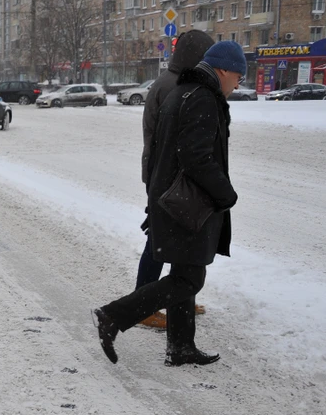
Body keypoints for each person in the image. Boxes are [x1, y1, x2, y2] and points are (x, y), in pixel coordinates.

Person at [93, 41, 245, 367]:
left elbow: (163, 150)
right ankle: (113, 315)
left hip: (170, 198)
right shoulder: (203, 98)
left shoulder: (183, 92)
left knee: (183, 271)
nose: (237, 85)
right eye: (238, 77)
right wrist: (225, 194)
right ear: (224, 70)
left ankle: (180, 346)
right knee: (189, 279)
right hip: (187, 203)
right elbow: (196, 157)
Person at [137, 30, 215, 329]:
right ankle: (143, 305)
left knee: (179, 240)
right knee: (160, 241)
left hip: (165, 173)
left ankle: (178, 298)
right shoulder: (176, 86)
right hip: (167, 176)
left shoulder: (174, 81)